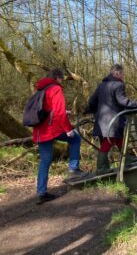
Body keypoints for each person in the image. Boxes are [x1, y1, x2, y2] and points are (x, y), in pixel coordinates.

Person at [85, 64, 137, 174]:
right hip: (113, 120)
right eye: (122, 74)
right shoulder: (118, 85)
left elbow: (92, 101)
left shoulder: (102, 85)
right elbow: (123, 101)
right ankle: (101, 168)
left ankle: (127, 158)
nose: (123, 76)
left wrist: (89, 111)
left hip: (101, 119)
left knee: (119, 138)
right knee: (108, 142)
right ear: (117, 73)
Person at [32, 68, 84, 204]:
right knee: (76, 138)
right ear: (57, 77)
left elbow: (49, 109)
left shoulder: (41, 89)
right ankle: (73, 169)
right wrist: (68, 129)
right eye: (62, 79)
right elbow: (59, 112)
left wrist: (63, 112)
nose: (62, 82)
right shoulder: (56, 89)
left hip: (39, 130)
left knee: (45, 160)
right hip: (51, 129)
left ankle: (41, 192)